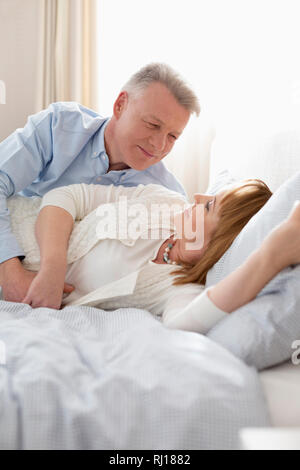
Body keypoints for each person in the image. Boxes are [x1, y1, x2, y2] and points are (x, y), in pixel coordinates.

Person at [0, 62, 200, 303]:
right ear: (120, 105)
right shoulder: (58, 127)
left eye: (172, 137)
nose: (159, 146)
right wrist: (10, 273)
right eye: (153, 125)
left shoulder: (164, 193)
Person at [4, 177, 298, 335]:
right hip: (9, 220)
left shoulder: (177, 287)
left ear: (219, 244)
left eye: (209, 207)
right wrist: (51, 271)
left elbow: (185, 323)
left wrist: (269, 257)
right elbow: (66, 197)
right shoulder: (164, 200)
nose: (197, 198)